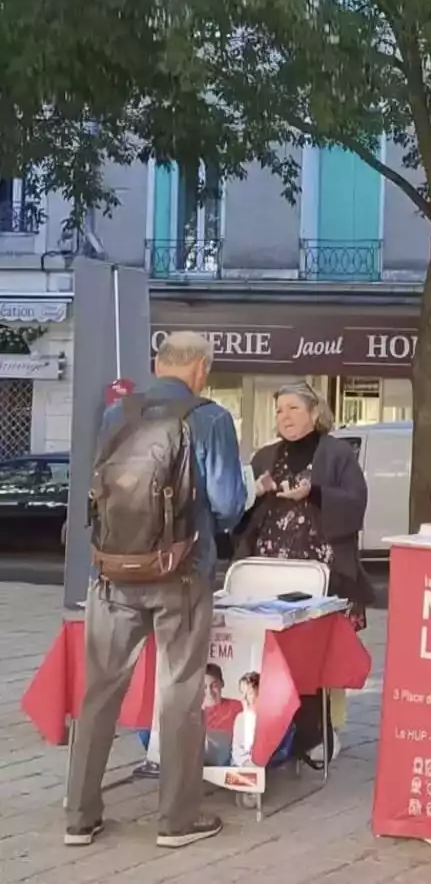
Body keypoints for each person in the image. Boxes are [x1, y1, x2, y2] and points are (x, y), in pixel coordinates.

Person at [66, 331, 246, 849]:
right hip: (182, 574)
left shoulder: (116, 415)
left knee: (99, 692)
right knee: (179, 693)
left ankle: (79, 816)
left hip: (113, 572)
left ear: (158, 363)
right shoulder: (209, 418)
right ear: (201, 369)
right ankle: (177, 820)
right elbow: (229, 504)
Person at [239, 380, 373, 761]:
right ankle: (279, 724)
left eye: (294, 408)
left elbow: (356, 503)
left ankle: (322, 732)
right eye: (280, 410)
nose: (285, 417)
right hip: (271, 571)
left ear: (315, 412)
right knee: (277, 650)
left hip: (323, 570)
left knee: (320, 651)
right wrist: (257, 493)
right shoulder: (264, 456)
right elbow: (240, 514)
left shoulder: (337, 453)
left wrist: (313, 493)